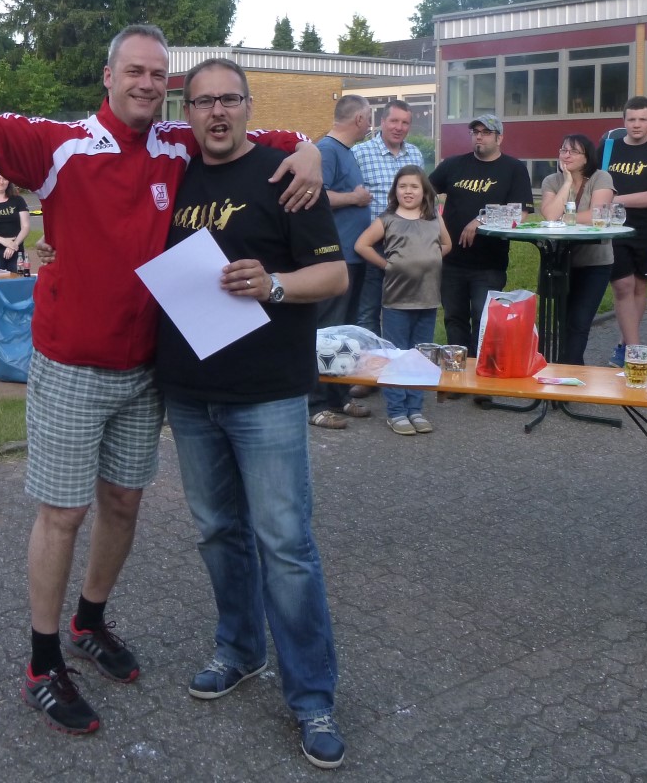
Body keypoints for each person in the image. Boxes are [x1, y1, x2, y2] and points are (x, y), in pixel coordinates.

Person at [0, 15, 322, 737]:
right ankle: (42, 661)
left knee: (123, 504)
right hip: (71, 365)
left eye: (159, 75)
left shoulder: (177, 142)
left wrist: (312, 151)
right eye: (134, 71)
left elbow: (265, 136)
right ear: (108, 77)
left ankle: (90, 621)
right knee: (63, 514)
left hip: (146, 368)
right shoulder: (61, 145)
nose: (147, 84)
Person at [157, 57, 348, 770]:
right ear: (187, 111)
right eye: (203, 101)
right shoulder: (171, 180)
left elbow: (335, 273)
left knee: (286, 545)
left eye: (229, 100)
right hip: (188, 390)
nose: (217, 112)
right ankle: (239, 649)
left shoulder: (286, 175)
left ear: (247, 106)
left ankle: (312, 696)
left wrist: (273, 285)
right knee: (217, 533)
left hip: (267, 392)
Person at [354, 165, 450, 434]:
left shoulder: (434, 218)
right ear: (395, 190)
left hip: (427, 300)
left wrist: (430, 259)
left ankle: (415, 409)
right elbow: (361, 245)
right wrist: (386, 265)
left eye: (414, 186)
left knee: (419, 357)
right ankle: (396, 411)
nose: (408, 191)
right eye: (403, 186)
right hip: (397, 301)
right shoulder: (387, 219)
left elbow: (447, 244)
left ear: (424, 191)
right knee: (397, 356)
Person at [428, 114, 533, 355]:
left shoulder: (513, 169)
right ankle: (457, 369)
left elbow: (520, 213)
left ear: (499, 138)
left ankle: (480, 372)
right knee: (454, 319)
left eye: (486, 132)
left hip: (489, 263)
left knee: (483, 319)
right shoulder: (453, 165)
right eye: (475, 132)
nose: (479, 137)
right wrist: (432, 217)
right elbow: (424, 191)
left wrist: (481, 220)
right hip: (451, 259)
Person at [308, 94, 373, 429]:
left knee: (344, 332)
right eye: (369, 118)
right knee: (327, 331)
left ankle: (339, 396)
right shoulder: (327, 150)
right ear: (359, 119)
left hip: (353, 256)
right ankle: (316, 403)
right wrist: (355, 198)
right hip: (336, 257)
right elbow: (315, 194)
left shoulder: (345, 151)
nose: (370, 125)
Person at [602, 97, 647, 368]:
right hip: (613, 229)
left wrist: (613, 200)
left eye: (642, 119)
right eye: (631, 119)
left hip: (645, 230)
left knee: (640, 286)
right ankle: (635, 352)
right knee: (623, 285)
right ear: (624, 121)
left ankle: (624, 344)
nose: (636, 124)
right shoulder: (607, 150)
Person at [537, 134, 615, 366]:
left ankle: (569, 369)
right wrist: (567, 183)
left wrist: (564, 218)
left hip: (595, 262)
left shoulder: (601, 178)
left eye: (573, 151)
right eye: (563, 150)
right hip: (559, 261)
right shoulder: (552, 180)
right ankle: (567, 369)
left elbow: (597, 215)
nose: (566, 155)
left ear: (587, 157)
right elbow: (550, 215)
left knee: (579, 321)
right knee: (561, 321)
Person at [352, 99, 424, 335]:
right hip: (373, 246)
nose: (399, 127)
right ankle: (371, 355)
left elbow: (423, 197)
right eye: (394, 121)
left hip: (407, 247)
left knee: (405, 309)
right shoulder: (360, 153)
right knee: (368, 311)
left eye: (405, 123)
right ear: (382, 122)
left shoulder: (415, 154)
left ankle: (401, 353)